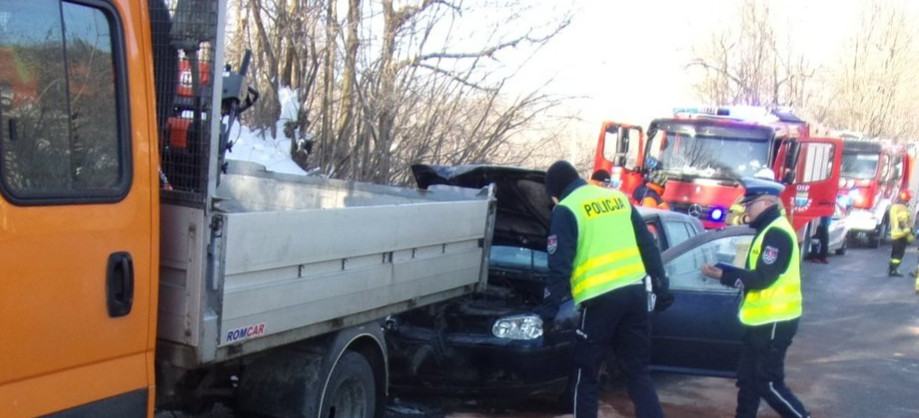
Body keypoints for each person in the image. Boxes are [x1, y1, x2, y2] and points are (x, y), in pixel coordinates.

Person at [540, 160, 673, 418]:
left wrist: (549, 311)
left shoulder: (566, 208)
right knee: (638, 373)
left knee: (585, 374)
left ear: (556, 191)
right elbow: (648, 245)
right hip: (635, 294)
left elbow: (560, 266)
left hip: (600, 300)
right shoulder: (618, 199)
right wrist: (660, 285)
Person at [700, 177, 810, 418]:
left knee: (767, 382)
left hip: (774, 320)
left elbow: (762, 278)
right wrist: (725, 273)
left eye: (751, 204)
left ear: (767, 202)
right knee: (748, 380)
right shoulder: (768, 230)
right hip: (761, 321)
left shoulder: (777, 233)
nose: (746, 209)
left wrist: (724, 274)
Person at [888, 190, 913, 277]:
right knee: (899, 254)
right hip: (901, 234)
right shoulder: (902, 208)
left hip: (895, 234)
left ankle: (891, 268)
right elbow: (902, 222)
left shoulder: (895, 207)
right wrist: (909, 233)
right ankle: (894, 270)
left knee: (894, 253)